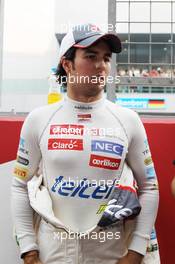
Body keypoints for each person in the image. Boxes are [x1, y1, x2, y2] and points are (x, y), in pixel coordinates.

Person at [11, 23, 159, 264]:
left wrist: (135, 253)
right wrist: (29, 251)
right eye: (91, 56)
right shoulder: (39, 119)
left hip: (110, 248)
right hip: (53, 249)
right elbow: (19, 185)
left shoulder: (128, 120)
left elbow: (149, 186)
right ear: (67, 64)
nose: (101, 65)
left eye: (106, 58)